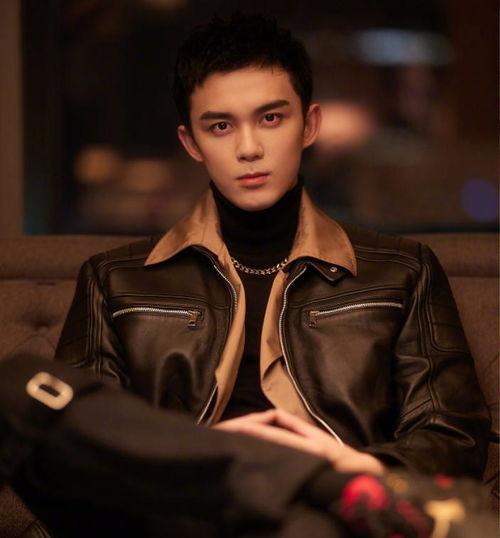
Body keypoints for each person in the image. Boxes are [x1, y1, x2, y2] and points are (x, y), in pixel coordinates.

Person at [48, 10, 488, 519]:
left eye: (271, 118)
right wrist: (196, 456)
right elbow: (76, 448)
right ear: (191, 143)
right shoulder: (115, 281)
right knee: (22, 392)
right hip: (189, 515)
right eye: (220, 126)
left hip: (335, 515)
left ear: (310, 125)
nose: (249, 148)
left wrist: (348, 468)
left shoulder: (402, 271)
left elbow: (452, 439)